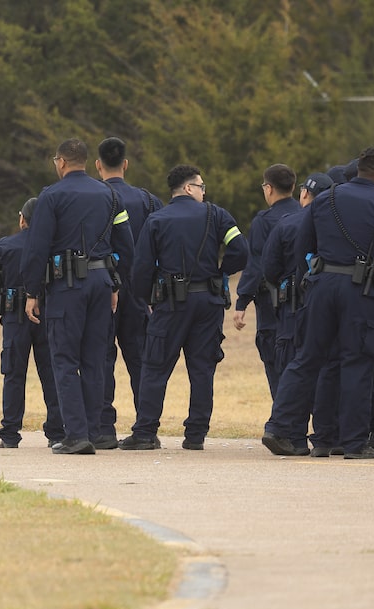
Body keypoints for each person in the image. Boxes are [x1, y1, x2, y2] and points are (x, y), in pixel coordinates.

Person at [263, 147, 374, 459]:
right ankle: (353, 443)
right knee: (358, 362)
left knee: (307, 358)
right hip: (362, 292)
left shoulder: (325, 199)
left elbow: (303, 248)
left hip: (321, 287)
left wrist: (315, 279)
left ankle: (278, 428)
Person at [119, 165, 247, 451]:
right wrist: (221, 273)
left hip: (170, 304)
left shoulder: (157, 220)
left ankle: (145, 433)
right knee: (202, 369)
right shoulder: (217, 215)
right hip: (208, 303)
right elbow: (241, 250)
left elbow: (139, 269)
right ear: (189, 188)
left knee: (154, 367)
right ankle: (196, 435)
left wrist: (147, 300)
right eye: (201, 186)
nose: (204, 192)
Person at [21, 138, 133, 455]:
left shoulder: (51, 196)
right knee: (95, 359)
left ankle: (76, 435)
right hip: (101, 283)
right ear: (86, 161)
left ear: (61, 162)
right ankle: (96, 432)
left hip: (66, 287)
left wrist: (32, 291)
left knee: (65, 360)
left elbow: (37, 246)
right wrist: (114, 283)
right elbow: (126, 246)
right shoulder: (111, 195)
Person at [93, 137, 163, 447]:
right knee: (140, 361)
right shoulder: (148, 201)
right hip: (138, 291)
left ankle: (104, 428)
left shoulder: (93, 199)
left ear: (98, 165)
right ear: (126, 164)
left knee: (101, 358)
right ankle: (145, 429)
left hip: (101, 287)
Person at [0, 197, 64, 448]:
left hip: (15, 317)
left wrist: (4, 293)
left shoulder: (6, 246)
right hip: (47, 317)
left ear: (22, 219)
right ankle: (57, 433)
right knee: (51, 374)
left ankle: (10, 433)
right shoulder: (54, 246)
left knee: (14, 374)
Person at [260, 172, 332, 454]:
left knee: (295, 368)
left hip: (293, 308)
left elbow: (269, 269)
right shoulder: (334, 223)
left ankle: (294, 436)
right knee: (327, 368)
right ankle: (327, 435)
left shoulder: (287, 224)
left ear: (304, 194)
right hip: (326, 306)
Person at [234, 164, 299, 416]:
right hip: (304, 302)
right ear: (293, 187)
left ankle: (284, 420)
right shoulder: (307, 214)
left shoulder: (264, 220)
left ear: (269, 188)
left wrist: (242, 301)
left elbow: (257, 263)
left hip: (272, 305)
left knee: (275, 361)